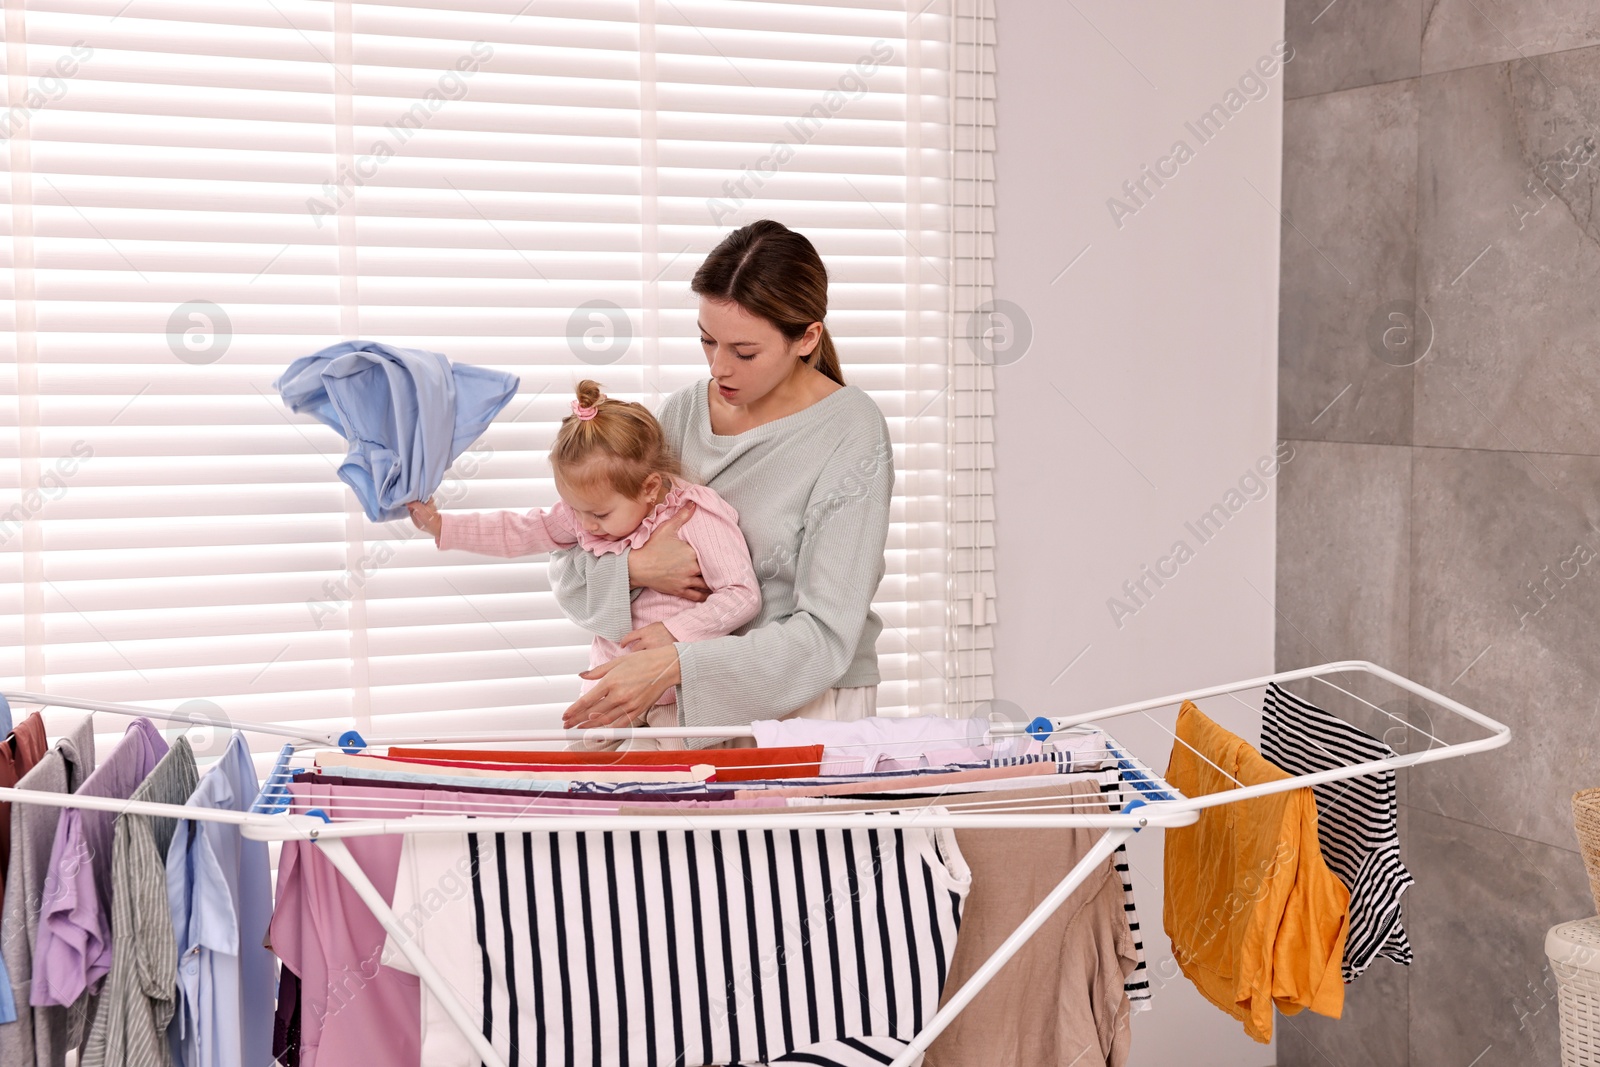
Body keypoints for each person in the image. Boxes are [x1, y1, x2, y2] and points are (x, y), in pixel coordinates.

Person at [552, 219, 894, 750]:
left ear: (807, 337)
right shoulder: (682, 413)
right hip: (676, 700)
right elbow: (573, 565)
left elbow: (827, 633)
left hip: (802, 703)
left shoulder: (851, 431)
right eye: (707, 341)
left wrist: (677, 664)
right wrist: (636, 568)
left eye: (744, 351)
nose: (719, 367)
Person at [405, 379, 762, 732]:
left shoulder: (696, 515)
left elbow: (741, 595)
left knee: (675, 772)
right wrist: (441, 526)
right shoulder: (585, 513)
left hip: (678, 689)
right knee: (585, 764)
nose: (586, 526)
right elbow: (520, 530)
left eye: (600, 515)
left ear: (650, 487)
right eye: (576, 510)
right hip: (610, 684)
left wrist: (675, 630)